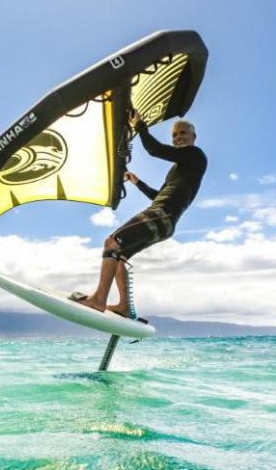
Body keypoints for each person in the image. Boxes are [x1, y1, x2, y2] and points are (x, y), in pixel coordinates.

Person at [72, 109, 207, 321]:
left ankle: (98, 299)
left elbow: (154, 149)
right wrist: (137, 183)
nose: (178, 138)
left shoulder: (195, 155)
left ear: (193, 137)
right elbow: (158, 195)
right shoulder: (178, 168)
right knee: (120, 256)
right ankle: (124, 306)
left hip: (161, 215)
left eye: (183, 133)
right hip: (164, 220)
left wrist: (140, 126)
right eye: (174, 135)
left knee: (112, 242)